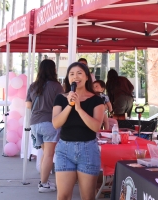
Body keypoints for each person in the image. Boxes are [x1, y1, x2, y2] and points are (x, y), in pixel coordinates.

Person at [52, 62, 105, 200]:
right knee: (63, 196)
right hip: (65, 149)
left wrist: (79, 109)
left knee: (88, 197)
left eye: (79, 73)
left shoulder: (97, 100)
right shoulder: (60, 98)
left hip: (88, 149)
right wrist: (70, 105)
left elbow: (96, 127)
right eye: (71, 74)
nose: (75, 76)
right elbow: (56, 123)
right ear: (68, 79)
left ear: (87, 77)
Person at [25, 59, 64, 193]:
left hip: (35, 123)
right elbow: (61, 105)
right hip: (49, 122)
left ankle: (44, 182)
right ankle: (43, 184)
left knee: (44, 153)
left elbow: (28, 105)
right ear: (53, 70)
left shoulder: (33, 85)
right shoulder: (57, 86)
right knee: (48, 154)